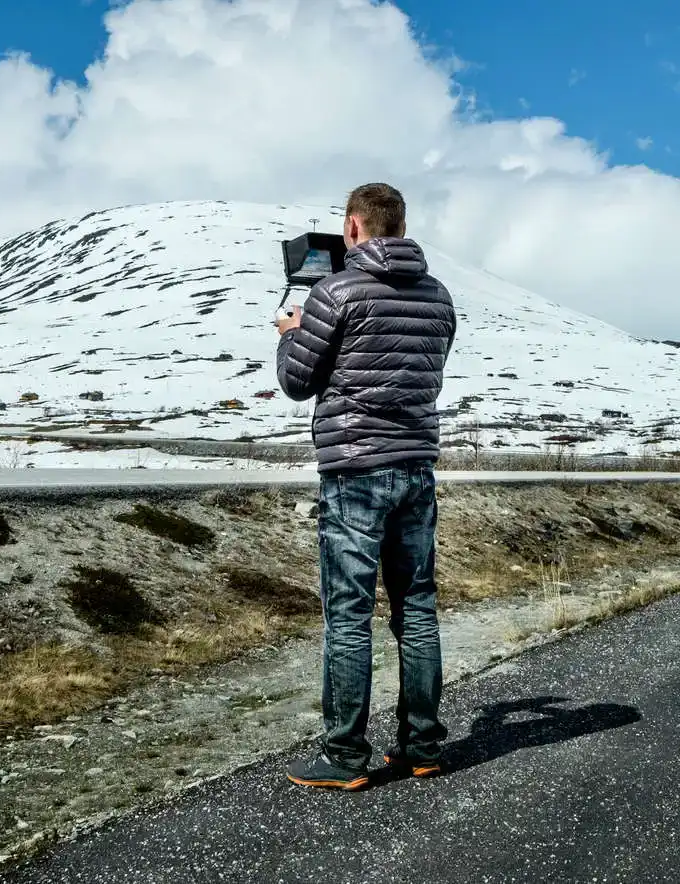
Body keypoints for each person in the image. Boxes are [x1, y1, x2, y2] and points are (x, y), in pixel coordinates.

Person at [275, 182, 457, 791]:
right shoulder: (439, 296)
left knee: (350, 615)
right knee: (418, 609)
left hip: (354, 471)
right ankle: (422, 745)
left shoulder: (336, 290)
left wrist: (289, 333)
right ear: (400, 226)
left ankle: (345, 755)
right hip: (416, 468)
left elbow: (299, 382)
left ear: (353, 228)